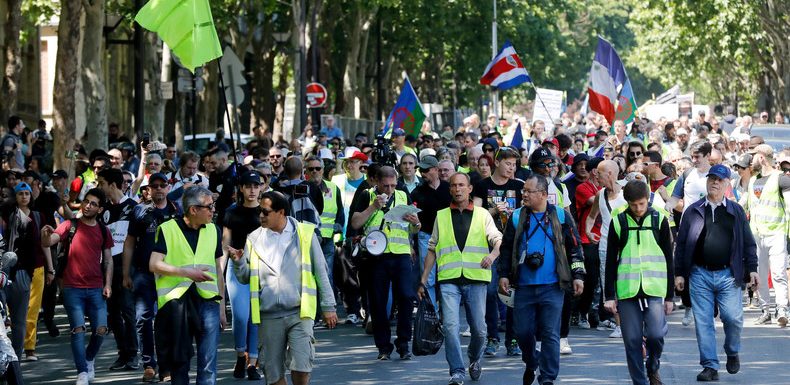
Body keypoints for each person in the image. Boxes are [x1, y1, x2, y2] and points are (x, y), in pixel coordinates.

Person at [228, 191, 337, 385]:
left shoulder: (304, 233)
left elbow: (321, 271)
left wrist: (329, 306)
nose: (260, 216)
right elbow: (246, 278)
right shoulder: (253, 238)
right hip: (268, 316)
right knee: (273, 374)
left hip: (299, 313)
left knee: (301, 365)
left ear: (281, 212)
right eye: (260, 211)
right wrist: (238, 263)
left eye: (265, 212)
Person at [674, 164, 759, 381]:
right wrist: (680, 273)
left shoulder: (735, 211)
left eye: (720, 180)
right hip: (699, 274)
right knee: (703, 322)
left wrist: (752, 269)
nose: (715, 182)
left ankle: (732, 350)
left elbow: (748, 243)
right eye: (712, 178)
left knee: (733, 318)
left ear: (727, 184)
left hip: (728, 275)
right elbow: (681, 244)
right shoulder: (693, 210)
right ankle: (710, 366)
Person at [498, 174, 585, 385]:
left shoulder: (561, 216)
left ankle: (547, 378)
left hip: (553, 286)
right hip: (524, 286)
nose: (524, 194)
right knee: (523, 333)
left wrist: (578, 275)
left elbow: (575, 247)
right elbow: (507, 248)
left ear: (544, 194)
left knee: (550, 333)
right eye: (523, 191)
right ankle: (531, 361)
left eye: (529, 191)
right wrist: (503, 274)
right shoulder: (517, 216)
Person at [417, 173, 502, 385]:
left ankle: (474, 359)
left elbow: (498, 240)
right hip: (449, 279)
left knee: (480, 330)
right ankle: (456, 370)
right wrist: (424, 279)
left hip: (475, 279)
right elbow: (431, 249)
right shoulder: (442, 216)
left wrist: (491, 256)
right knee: (450, 326)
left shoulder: (483, 215)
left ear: (470, 188)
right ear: (450, 189)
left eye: (462, 185)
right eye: (454, 186)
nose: (457, 189)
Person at [149, 186, 227, 385]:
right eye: (209, 207)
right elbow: (154, 264)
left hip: (208, 302)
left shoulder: (214, 230)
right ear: (193, 209)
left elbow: (218, 270)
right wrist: (187, 272)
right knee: (180, 363)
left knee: (208, 364)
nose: (213, 210)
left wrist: (222, 307)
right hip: (178, 304)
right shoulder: (167, 229)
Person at [41, 188, 114, 385]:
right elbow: (49, 241)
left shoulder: (102, 230)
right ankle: (82, 372)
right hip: (72, 287)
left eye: (93, 204)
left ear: (100, 209)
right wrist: (45, 236)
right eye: (86, 201)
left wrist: (108, 284)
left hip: (96, 287)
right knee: (78, 329)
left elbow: (108, 260)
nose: (88, 206)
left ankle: (89, 359)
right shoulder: (69, 225)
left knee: (101, 329)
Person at [604, 181, 674, 385]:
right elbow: (610, 261)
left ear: (648, 199)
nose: (639, 209)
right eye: (634, 205)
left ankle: (653, 366)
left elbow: (669, 258)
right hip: (627, 290)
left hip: (654, 287)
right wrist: (609, 296)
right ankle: (639, 382)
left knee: (655, 335)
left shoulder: (659, 219)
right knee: (632, 340)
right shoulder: (618, 222)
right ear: (627, 203)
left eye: (642, 204)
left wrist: (670, 296)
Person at [350, 166, 420, 360]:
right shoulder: (366, 195)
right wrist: (374, 206)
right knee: (379, 303)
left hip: (400, 253)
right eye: (385, 186)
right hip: (376, 256)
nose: (389, 190)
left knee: (406, 297)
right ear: (377, 182)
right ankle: (383, 347)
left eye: (393, 185)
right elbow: (355, 223)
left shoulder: (403, 195)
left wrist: (415, 223)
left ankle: (404, 343)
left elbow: (414, 229)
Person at [122, 172, 181, 383]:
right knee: (143, 318)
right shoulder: (139, 210)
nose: (158, 188)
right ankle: (149, 364)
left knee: (168, 321)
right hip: (143, 274)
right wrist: (126, 273)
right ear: (148, 189)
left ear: (168, 186)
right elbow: (129, 243)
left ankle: (167, 367)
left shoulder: (177, 210)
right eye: (153, 185)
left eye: (162, 184)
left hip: (169, 275)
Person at [472, 146, 523, 357]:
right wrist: (492, 211)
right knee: (491, 292)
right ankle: (492, 337)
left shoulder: (518, 186)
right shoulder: (482, 186)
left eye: (514, 165)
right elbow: (475, 215)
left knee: (512, 294)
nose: (511, 168)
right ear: (497, 162)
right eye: (508, 164)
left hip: (513, 245)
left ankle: (512, 338)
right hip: (488, 246)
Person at [221, 170, 264, 380]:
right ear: (241, 188)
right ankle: (240, 354)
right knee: (240, 315)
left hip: (260, 269)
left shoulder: (265, 212)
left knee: (255, 317)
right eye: (248, 186)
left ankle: (252, 363)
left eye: (256, 186)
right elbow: (224, 244)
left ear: (262, 187)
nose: (252, 190)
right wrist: (219, 270)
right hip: (236, 268)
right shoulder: (231, 212)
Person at [97, 168, 139, 371]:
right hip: (107, 267)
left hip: (126, 267)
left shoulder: (133, 207)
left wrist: (131, 270)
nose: (99, 187)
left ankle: (133, 354)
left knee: (128, 311)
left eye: (101, 183)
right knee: (112, 314)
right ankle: (122, 353)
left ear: (112, 185)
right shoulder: (102, 209)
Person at [745, 144, 790, 326]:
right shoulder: (752, 181)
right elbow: (748, 205)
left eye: (754, 155)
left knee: (778, 273)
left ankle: (782, 309)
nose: (751, 159)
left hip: (777, 233)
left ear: (762, 157)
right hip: (756, 234)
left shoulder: (782, 179)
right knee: (760, 275)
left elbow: (789, 207)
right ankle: (765, 311)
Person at [586, 160, 628, 338]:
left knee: (626, 285)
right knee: (609, 285)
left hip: (627, 248)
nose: (596, 176)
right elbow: (591, 216)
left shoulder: (627, 194)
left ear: (610, 173)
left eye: (599, 173)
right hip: (605, 246)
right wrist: (588, 231)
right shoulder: (600, 195)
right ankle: (619, 325)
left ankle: (630, 322)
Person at [411, 156, 451, 309]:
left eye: (426, 170)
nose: (423, 173)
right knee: (428, 279)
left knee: (447, 277)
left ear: (436, 169)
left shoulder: (449, 189)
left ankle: (445, 314)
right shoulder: (417, 192)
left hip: (448, 237)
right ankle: (432, 316)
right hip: (426, 236)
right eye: (421, 170)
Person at [305, 157, 344, 295]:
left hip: (327, 239)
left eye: (318, 168)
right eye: (311, 169)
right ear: (306, 171)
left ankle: (328, 311)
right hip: (308, 240)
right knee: (308, 278)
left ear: (322, 170)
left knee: (326, 276)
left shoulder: (333, 188)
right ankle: (313, 314)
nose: (315, 171)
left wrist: (338, 228)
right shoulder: (302, 188)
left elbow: (340, 211)